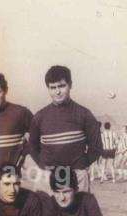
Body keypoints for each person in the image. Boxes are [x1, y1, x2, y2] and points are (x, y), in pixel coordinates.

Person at [28, 65, 102, 193]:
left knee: (78, 212)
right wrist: (43, 165)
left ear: (70, 85)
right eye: (53, 87)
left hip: (77, 176)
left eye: (62, 86)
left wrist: (81, 166)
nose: (57, 92)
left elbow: (96, 147)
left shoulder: (84, 114)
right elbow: (32, 146)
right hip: (48, 176)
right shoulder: (39, 116)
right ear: (48, 89)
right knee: (46, 212)